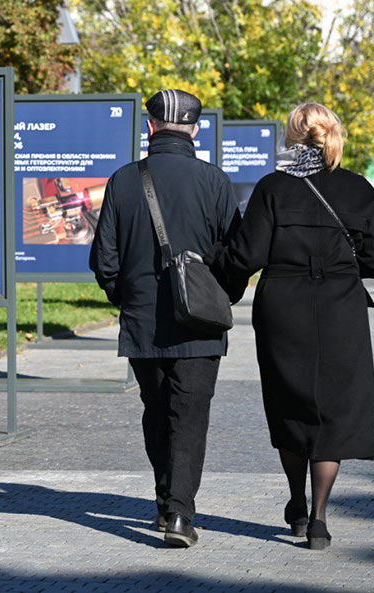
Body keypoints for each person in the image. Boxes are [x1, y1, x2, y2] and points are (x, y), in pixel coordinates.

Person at [207, 102, 374, 550]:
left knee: (289, 401)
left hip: (282, 309)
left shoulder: (272, 188)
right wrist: (340, 268)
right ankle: (319, 518)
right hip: (339, 308)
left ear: (292, 138)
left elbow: (245, 256)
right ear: (335, 135)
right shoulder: (358, 189)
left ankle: (294, 499)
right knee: (333, 406)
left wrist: (216, 274)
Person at [90, 89, 241, 547]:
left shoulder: (123, 180)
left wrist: (128, 297)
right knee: (189, 417)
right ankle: (179, 515)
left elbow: (104, 259)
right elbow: (236, 256)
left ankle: (164, 502)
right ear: (195, 129)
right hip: (199, 324)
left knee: (156, 412)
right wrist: (219, 297)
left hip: (143, 322)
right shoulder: (215, 181)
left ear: (150, 127)